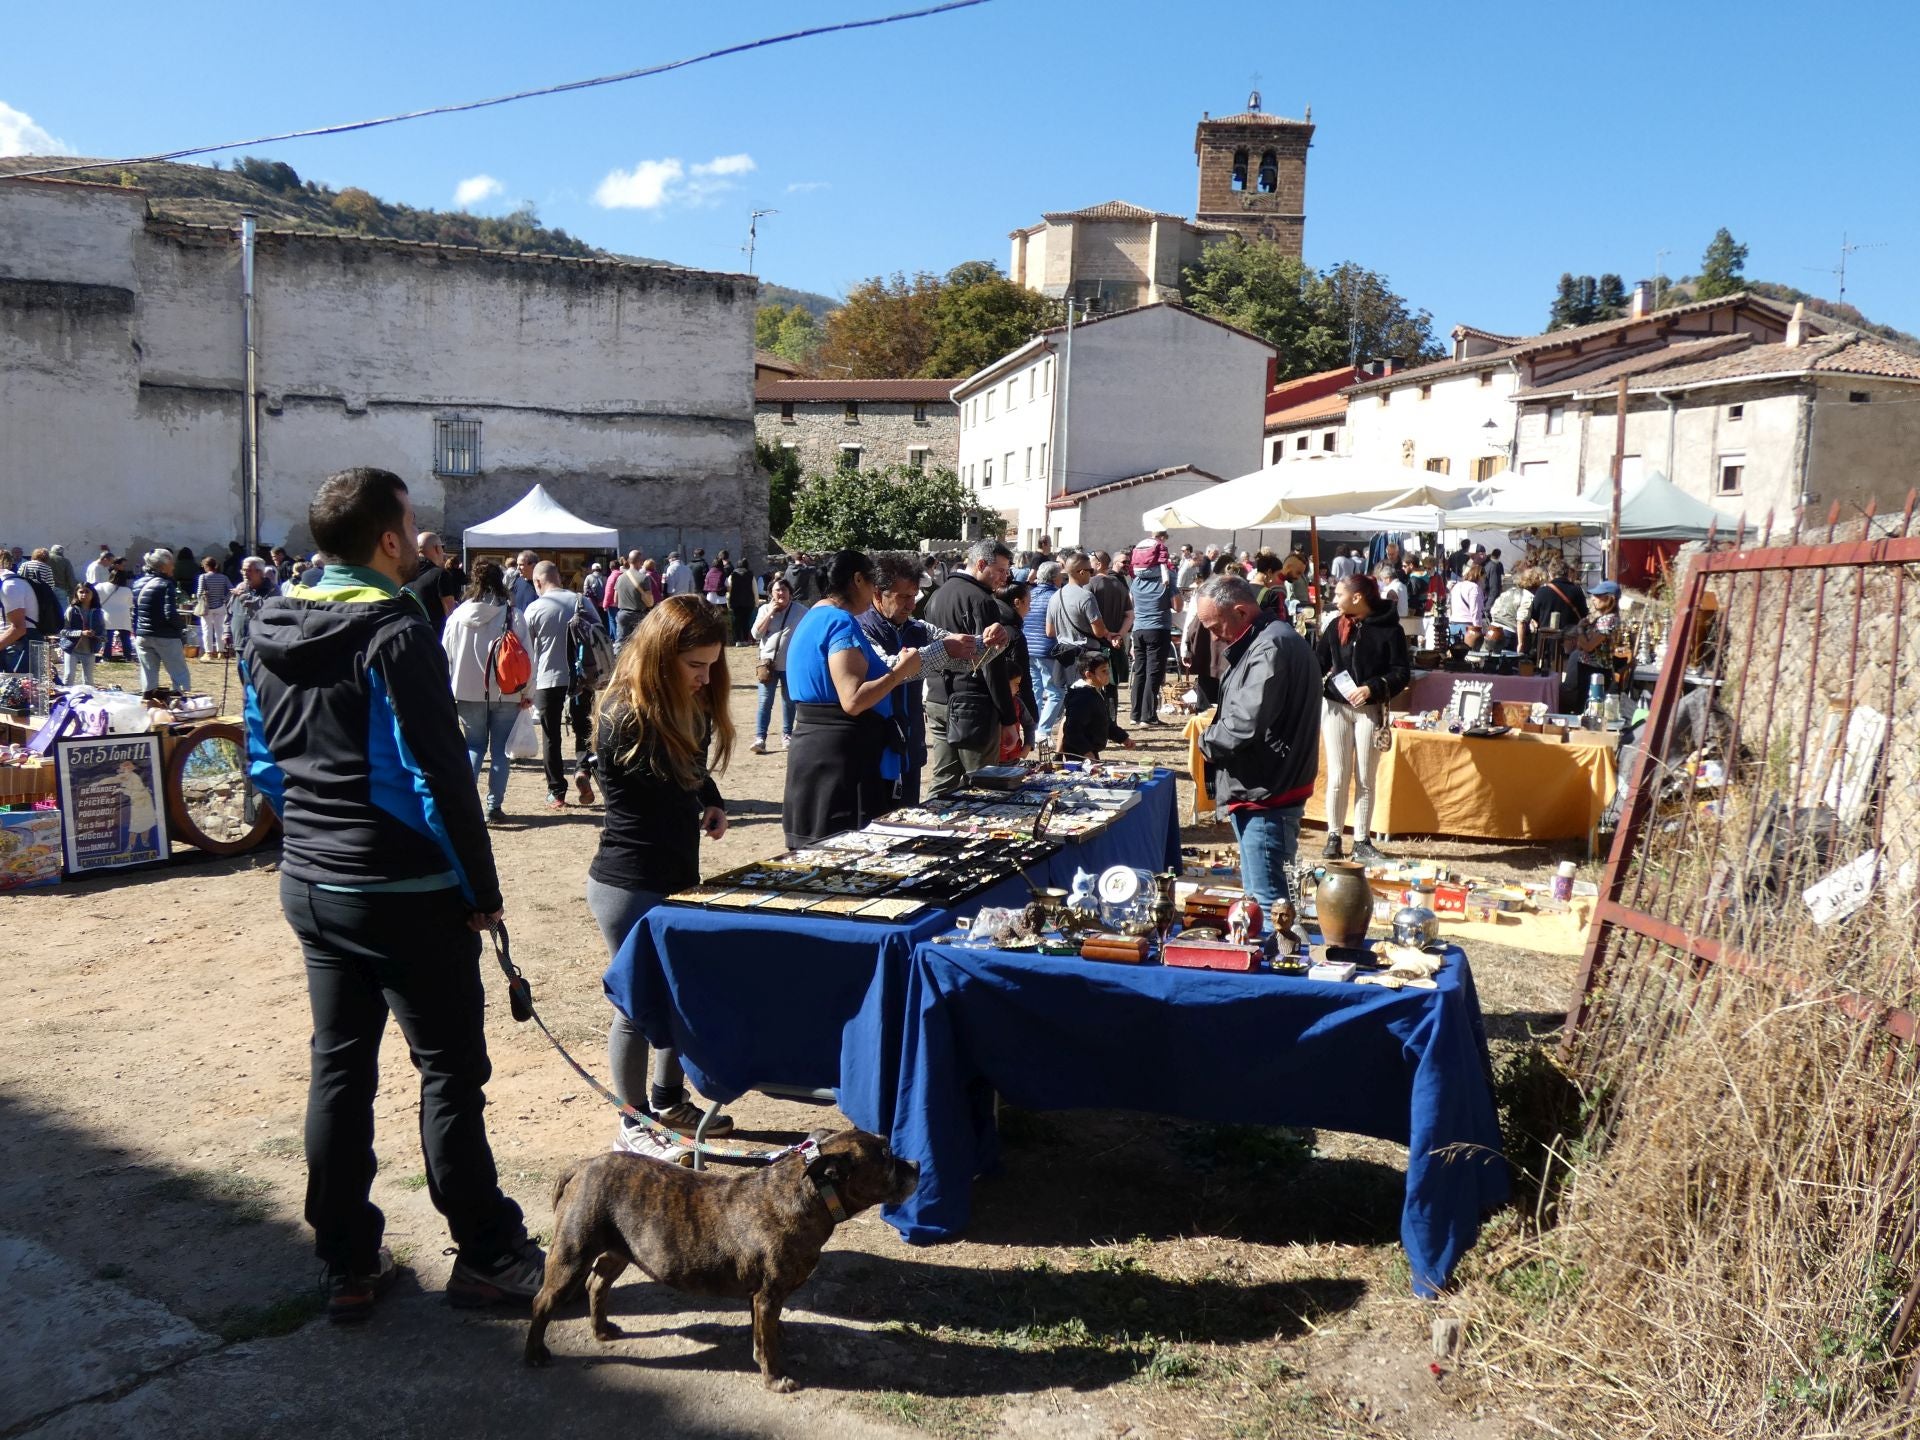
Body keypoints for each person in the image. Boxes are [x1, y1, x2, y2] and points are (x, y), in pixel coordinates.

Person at [240, 466, 543, 1321]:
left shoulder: (262, 620)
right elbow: (435, 771)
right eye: (410, 524)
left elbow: (263, 759)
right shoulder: (395, 627)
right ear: (386, 538)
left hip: (314, 881)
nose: (418, 539)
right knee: (450, 1073)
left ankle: (345, 1260)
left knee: (340, 1072)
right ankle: (485, 1253)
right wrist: (481, 890)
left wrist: (312, 842)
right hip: (403, 887)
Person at [589, 596, 736, 1141]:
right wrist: (694, 797)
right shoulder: (627, 713)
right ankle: (632, 1124)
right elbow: (667, 789)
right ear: (660, 654)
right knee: (638, 1004)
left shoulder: (680, 704)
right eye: (695, 665)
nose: (704, 678)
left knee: (672, 995)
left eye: (710, 666)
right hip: (630, 884)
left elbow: (691, 773)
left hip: (671, 876)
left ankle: (668, 1102)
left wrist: (711, 799)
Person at [1194, 575, 1322, 910]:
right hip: (1265, 784)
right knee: (1260, 899)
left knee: (1270, 905)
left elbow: (1244, 722)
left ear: (1240, 611)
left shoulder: (1270, 645)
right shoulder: (1266, 640)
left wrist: (1206, 741)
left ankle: (1280, 957)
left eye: (1213, 625)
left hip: (1268, 789)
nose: (1212, 636)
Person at [781, 550, 920, 847]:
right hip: (843, 762)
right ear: (858, 580)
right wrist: (900, 673)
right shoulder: (840, 622)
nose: (873, 594)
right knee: (844, 857)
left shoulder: (810, 617)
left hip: (815, 751)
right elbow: (853, 699)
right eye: (872, 585)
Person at [861, 552, 985, 802]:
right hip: (875, 746)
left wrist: (990, 643)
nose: (911, 605)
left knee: (907, 818)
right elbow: (890, 670)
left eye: (914, 597)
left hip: (910, 741)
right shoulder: (862, 628)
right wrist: (943, 649)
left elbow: (962, 657)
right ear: (877, 594)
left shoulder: (916, 628)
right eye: (903, 597)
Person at [1314, 573, 1410, 864]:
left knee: (1365, 778)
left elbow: (1401, 673)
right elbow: (1316, 664)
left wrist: (1373, 687)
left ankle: (1361, 840)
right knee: (1338, 775)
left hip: (1369, 711)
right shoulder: (1335, 626)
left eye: (1339, 593)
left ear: (1357, 597)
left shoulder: (1390, 630)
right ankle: (1333, 836)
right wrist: (1318, 686)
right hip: (1335, 709)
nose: (1334, 599)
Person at [923, 539, 1016, 795]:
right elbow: (991, 665)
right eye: (1001, 570)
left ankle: (932, 830)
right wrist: (1009, 718)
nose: (1004, 578)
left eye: (1007, 571)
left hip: (938, 698)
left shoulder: (937, 595)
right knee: (984, 783)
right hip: (971, 704)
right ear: (982, 564)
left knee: (944, 781)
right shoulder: (981, 601)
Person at [444, 560, 533, 824]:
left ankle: (467, 805)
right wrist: (528, 692)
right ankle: (493, 807)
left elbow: (446, 656)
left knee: (473, 746)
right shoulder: (512, 615)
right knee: (499, 752)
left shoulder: (457, 616)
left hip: (466, 691)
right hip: (506, 691)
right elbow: (526, 656)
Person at [524, 561, 596, 810]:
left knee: (550, 735)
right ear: (559, 578)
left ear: (538, 582)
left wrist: (526, 687)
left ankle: (556, 792)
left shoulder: (534, 608)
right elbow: (599, 635)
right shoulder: (581, 601)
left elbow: (526, 650)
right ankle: (583, 769)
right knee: (584, 727)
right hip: (581, 678)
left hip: (547, 678)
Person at [749, 576, 806, 753]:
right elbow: (756, 635)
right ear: (771, 594)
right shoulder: (765, 609)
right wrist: (769, 614)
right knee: (765, 702)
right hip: (768, 665)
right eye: (777, 590)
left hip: (791, 665)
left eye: (784, 590)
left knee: (789, 702)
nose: (781, 593)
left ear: (790, 593)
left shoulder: (801, 611)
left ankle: (787, 735)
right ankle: (760, 738)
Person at [132, 548, 191, 692]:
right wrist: (181, 628)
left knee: (148, 675)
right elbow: (169, 613)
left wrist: (137, 631)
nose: (173, 567)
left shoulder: (137, 583)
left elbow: (135, 611)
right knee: (179, 674)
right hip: (165, 635)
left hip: (143, 635)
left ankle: (150, 707)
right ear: (164, 566)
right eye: (171, 563)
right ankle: (182, 706)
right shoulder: (165, 584)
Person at [1128, 555, 1175, 726]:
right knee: (1153, 672)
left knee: (1140, 671)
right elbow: (1177, 605)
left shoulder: (1136, 580)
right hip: (1158, 628)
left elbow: (1132, 603)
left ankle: (1135, 714)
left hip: (1138, 628)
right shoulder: (1166, 578)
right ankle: (1148, 716)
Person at [1060, 653, 1133, 760]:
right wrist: (1086, 752)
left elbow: (1105, 722)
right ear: (1089, 674)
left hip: (1090, 749)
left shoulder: (1097, 691)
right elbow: (1072, 730)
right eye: (1104, 671)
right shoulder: (1081, 698)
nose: (1108, 674)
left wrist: (1123, 738)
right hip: (1078, 752)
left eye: (1108, 670)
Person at [1023, 560, 1064, 742]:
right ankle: (1043, 730)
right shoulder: (1056, 596)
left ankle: (1034, 727)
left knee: (1035, 690)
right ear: (1055, 578)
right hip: (1047, 649)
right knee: (1056, 691)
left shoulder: (1030, 594)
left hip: (1028, 647)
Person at [403, 531, 463, 641]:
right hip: (435, 639)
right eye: (442, 547)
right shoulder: (440, 575)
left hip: (408, 638)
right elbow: (451, 614)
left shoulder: (404, 574)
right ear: (436, 549)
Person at [0, 553, 42, 676]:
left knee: (26, 693)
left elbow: (18, 628)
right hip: (17, 645)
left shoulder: (10, 586)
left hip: (21, 647)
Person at [59, 581, 105, 687]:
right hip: (72, 649)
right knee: (69, 677)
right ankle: (65, 701)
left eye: (87, 592)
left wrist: (98, 637)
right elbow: (63, 631)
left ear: (93, 594)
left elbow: (102, 631)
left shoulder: (98, 612)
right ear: (76, 594)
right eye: (81, 592)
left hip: (89, 650)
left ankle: (87, 701)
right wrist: (81, 633)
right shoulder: (71, 610)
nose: (84, 595)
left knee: (89, 681)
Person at [1486, 564, 1542, 652]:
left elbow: (1493, 610)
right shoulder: (1527, 596)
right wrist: (1521, 644)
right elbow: (1521, 622)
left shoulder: (1510, 591)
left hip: (1492, 631)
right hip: (1508, 634)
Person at [228, 557, 277, 653]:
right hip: (240, 642)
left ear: (260, 572)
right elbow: (230, 611)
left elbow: (267, 607)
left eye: (249, 570)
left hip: (260, 644)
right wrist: (226, 632)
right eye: (243, 570)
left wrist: (242, 596)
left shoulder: (272, 589)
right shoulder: (240, 587)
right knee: (241, 668)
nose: (245, 574)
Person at [611, 549, 653, 649]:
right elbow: (650, 602)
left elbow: (615, 600)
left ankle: (619, 663)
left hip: (623, 614)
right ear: (640, 562)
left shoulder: (620, 578)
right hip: (639, 615)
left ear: (629, 561)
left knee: (621, 644)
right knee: (640, 645)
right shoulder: (644, 578)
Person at [194, 556, 233, 658]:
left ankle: (208, 653)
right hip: (220, 606)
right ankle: (221, 652)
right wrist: (225, 598)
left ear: (206, 566)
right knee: (220, 629)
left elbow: (199, 593)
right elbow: (232, 590)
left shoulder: (203, 577)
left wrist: (201, 599)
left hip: (207, 607)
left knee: (207, 630)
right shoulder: (224, 577)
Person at [96, 559, 134, 660]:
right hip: (123, 615)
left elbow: (96, 600)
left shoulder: (101, 586)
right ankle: (128, 656)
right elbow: (130, 604)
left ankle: (107, 656)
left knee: (108, 638)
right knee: (125, 638)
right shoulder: (127, 590)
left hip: (107, 614)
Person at [1447, 562, 1487, 643]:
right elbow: (1475, 611)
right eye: (1484, 578)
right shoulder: (1474, 588)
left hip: (1453, 624)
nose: (1484, 581)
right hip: (1467, 627)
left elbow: (1450, 606)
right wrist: (1478, 630)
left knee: (1456, 653)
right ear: (1479, 576)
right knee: (1469, 654)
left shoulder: (1457, 586)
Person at [727, 556, 756, 644]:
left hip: (735, 602)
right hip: (748, 602)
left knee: (737, 621)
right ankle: (746, 639)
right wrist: (756, 602)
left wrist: (728, 603)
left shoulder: (732, 575)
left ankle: (738, 640)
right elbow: (755, 590)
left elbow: (729, 590)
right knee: (746, 621)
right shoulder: (751, 575)